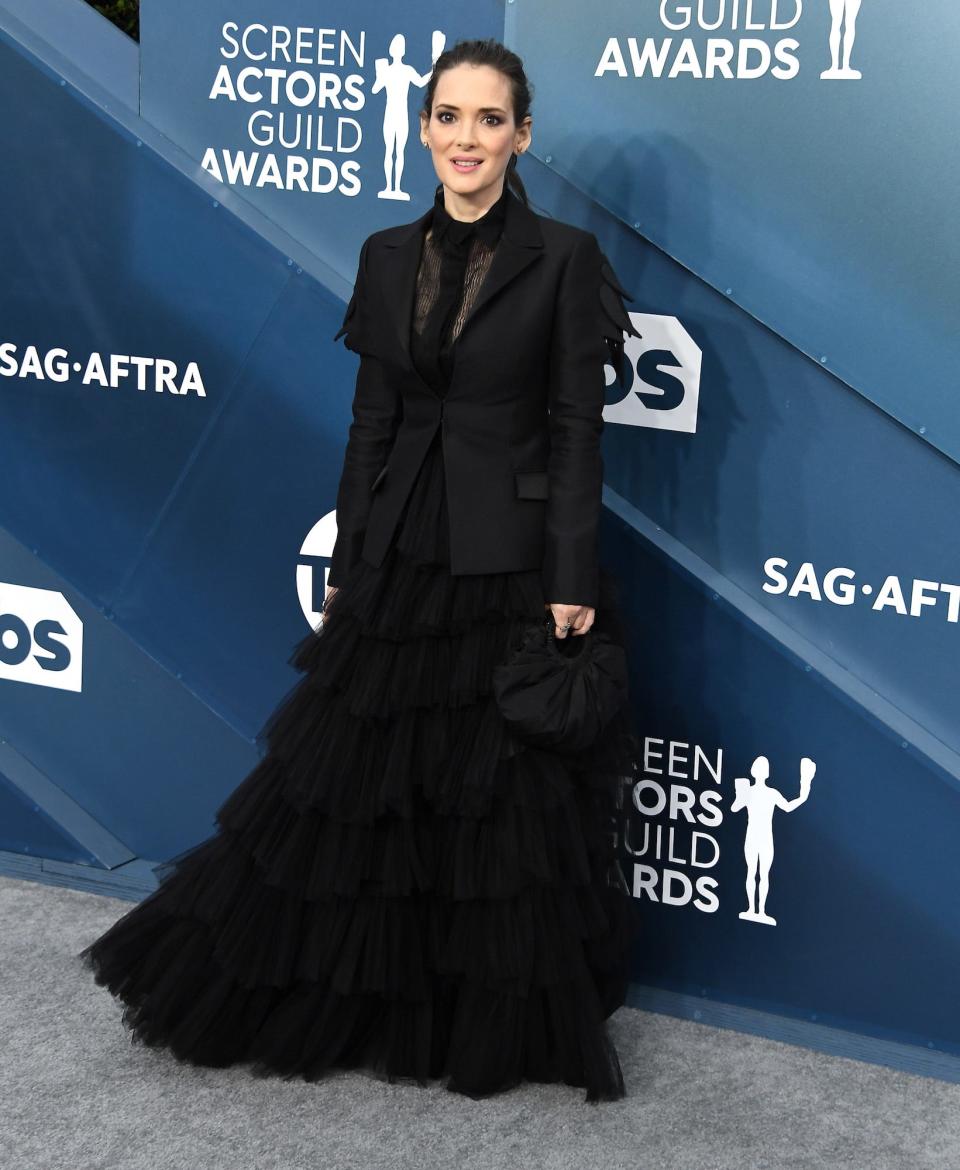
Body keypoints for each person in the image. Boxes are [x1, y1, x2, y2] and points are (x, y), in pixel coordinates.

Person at [79, 37, 641, 1104]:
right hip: (398, 551)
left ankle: (482, 1015)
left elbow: (576, 431)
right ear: (422, 128)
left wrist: (571, 574)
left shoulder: (564, 260)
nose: (465, 138)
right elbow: (371, 420)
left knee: (495, 803)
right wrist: (350, 551)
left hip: (512, 561)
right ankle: (374, 1002)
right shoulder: (387, 254)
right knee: (363, 795)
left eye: (488, 119)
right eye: (448, 116)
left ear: (522, 137)